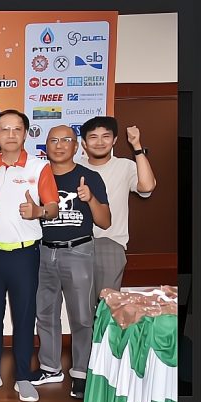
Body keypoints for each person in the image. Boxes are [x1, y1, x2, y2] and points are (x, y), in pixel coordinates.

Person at [0, 110, 60, 402]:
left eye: (16, 129)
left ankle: (23, 376)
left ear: (25, 134)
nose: (10, 134)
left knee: (24, 317)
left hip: (25, 254)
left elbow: (53, 207)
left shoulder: (38, 167)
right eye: (4, 129)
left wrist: (39, 212)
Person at [34, 125, 111, 399]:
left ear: (76, 146)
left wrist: (89, 199)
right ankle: (50, 367)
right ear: (45, 146)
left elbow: (104, 221)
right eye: (53, 140)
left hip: (78, 251)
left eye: (66, 139)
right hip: (43, 251)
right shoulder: (37, 176)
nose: (59, 145)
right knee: (44, 313)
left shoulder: (89, 177)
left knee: (81, 316)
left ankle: (81, 372)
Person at [79, 116, 157, 300]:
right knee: (81, 307)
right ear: (83, 143)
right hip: (76, 244)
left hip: (110, 243)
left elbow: (147, 186)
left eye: (106, 136)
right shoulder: (75, 168)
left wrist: (136, 146)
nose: (100, 142)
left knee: (108, 306)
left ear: (114, 140)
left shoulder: (125, 166)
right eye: (93, 137)